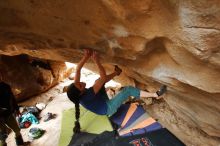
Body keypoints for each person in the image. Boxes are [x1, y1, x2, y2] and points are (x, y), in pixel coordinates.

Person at [67, 49, 167, 134]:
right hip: (107, 108)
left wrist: (86, 56)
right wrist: (97, 61)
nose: (81, 82)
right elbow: (103, 77)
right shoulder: (86, 97)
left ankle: (117, 72)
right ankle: (155, 95)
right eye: (80, 86)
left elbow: (78, 69)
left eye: (78, 82)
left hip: (100, 100)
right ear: (81, 93)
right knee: (127, 90)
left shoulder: (77, 90)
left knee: (98, 82)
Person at [0, 79, 28, 146]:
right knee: (3, 136)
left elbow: (12, 98)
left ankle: (20, 144)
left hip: (8, 113)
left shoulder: (5, 86)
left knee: (17, 129)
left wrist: (17, 109)